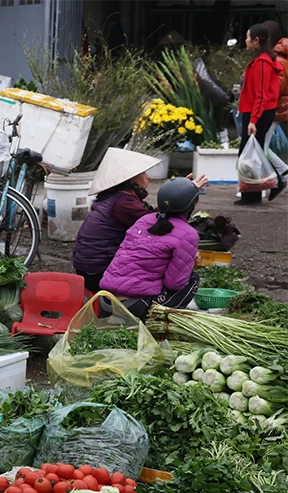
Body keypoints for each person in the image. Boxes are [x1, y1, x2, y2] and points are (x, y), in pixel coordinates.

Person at [73, 147, 207, 292]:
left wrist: (179, 192)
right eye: (143, 173)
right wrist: (181, 196)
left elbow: (158, 217)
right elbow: (160, 224)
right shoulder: (123, 204)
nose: (149, 177)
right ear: (129, 179)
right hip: (99, 271)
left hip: (90, 267)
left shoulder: (115, 198)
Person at [101, 178, 204, 321]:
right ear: (191, 206)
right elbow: (174, 283)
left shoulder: (144, 220)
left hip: (105, 301)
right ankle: (156, 325)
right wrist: (189, 262)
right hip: (135, 307)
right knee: (192, 278)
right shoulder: (188, 234)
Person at [237, 23, 287, 205]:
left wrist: (253, 120)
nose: (246, 41)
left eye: (248, 37)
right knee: (252, 154)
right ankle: (253, 194)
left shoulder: (262, 64)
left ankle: (272, 182)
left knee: (249, 155)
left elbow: (260, 95)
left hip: (257, 112)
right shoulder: (264, 61)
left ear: (256, 41)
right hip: (258, 111)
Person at [264, 20, 288, 137]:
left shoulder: (277, 60)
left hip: (279, 110)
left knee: (263, 148)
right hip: (280, 109)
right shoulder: (279, 57)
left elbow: (278, 87)